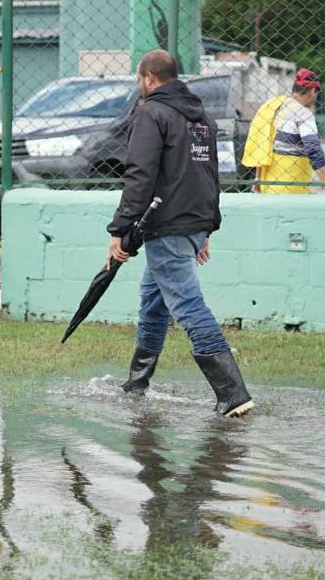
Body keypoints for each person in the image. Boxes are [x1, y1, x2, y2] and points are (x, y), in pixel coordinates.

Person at [107, 49, 254, 418]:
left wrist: (120, 229)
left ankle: (233, 394)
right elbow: (210, 174)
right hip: (192, 219)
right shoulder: (200, 116)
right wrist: (206, 227)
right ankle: (137, 383)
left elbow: (139, 175)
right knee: (153, 301)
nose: (139, 84)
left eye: (139, 79)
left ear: (149, 78)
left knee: (187, 305)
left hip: (169, 224)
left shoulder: (151, 112)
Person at [240, 68, 325, 194]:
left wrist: (258, 178)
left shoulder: (274, 106)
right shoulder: (303, 113)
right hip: (292, 189)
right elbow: (313, 148)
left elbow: (263, 141)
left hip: (268, 185)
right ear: (313, 91)